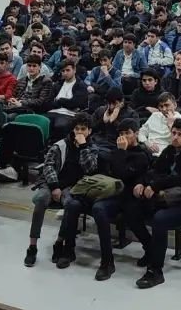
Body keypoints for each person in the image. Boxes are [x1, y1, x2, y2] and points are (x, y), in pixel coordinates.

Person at [57, 119, 151, 280]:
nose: (123, 137)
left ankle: (107, 261)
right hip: (104, 191)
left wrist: (121, 152)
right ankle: (68, 250)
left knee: (99, 209)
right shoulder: (113, 150)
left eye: (127, 133)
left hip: (124, 196)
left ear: (135, 134)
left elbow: (122, 174)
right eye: (120, 134)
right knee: (72, 204)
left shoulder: (141, 154)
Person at [125, 117, 181, 289]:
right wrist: (142, 183)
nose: (175, 137)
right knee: (131, 210)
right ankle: (151, 250)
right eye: (174, 133)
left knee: (160, 219)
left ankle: (155, 271)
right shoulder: (170, 150)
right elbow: (155, 169)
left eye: (180, 134)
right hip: (163, 198)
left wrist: (155, 185)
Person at [24, 113, 98, 268]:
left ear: (89, 131)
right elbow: (48, 165)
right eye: (76, 129)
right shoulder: (60, 145)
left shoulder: (92, 148)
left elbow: (90, 169)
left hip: (73, 187)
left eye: (83, 129)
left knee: (70, 205)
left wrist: (83, 146)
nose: (79, 132)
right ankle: (32, 246)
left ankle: (59, 242)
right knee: (40, 200)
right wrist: (54, 186)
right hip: (52, 184)